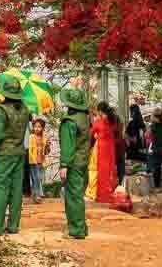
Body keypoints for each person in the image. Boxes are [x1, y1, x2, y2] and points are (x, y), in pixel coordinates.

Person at [0, 71, 30, 236]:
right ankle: (13, 225)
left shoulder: (1, 111)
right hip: (20, 153)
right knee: (16, 189)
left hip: (4, 153)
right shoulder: (25, 110)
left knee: (1, 188)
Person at [59, 87, 91, 239]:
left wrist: (64, 164)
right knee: (78, 194)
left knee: (73, 196)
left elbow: (68, 145)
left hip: (73, 162)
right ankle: (81, 227)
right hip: (84, 160)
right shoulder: (84, 118)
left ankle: (76, 229)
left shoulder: (69, 121)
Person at [92, 101, 120, 206]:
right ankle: (109, 194)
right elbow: (117, 134)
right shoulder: (113, 121)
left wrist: (96, 136)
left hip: (102, 149)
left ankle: (102, 196)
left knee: (102, 172)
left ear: (99, 111)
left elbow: (91, 133)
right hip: (111, 149)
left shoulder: (98, 122)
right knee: (110, 171)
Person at [25, 116, 48, 202]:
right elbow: (30, 149)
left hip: (41, 161)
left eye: (39, 127)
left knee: (39, 179)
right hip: (33, 161)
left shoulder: (44, 137)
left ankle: (34, 194)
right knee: (36, 178)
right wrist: (32, 159)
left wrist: (47, 146)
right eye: (35, 126)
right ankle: (37, 195)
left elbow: (46, 151)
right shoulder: (31, 137)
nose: (37, 128)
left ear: (42, 128)